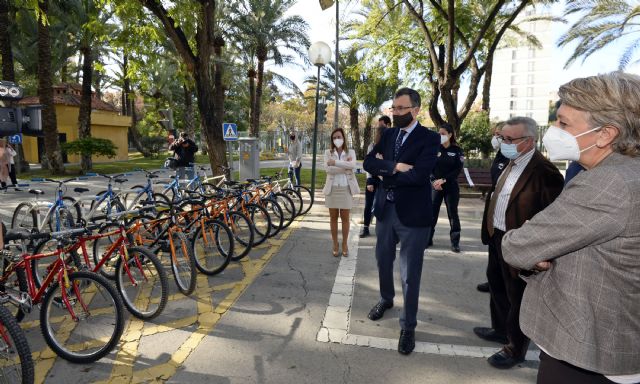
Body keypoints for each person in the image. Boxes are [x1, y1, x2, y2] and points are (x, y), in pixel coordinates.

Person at [502, 72, 640, 384]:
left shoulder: (608, 183)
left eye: (564, 124)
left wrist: (534, 246)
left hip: (587, 353)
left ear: (605, 134)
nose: (553, 130)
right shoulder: (628, 172)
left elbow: (517, 246)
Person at [472, 116, 564, 369]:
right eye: (503, 138)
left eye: (510, 139)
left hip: (522, 244)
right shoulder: (509, 162)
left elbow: (553, 216)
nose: (504, 143)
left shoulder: (545, 172)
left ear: (529, 141)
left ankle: (515, 348)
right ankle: (500, 329)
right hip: (497, 236)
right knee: (497, 285)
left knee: (518, 296)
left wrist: (539, 249)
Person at [363, 87, 439, 355]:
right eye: (393, 108)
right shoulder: (388, 134)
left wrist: (385, 174)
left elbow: (419, 176)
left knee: (409, 274)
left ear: (416, 110)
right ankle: (386, 299)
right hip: (385, 211)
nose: (395, 113)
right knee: (383, 260)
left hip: (413, 216)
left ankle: (408, 325)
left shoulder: (429, 139)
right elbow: (368, 162)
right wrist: (393, 167)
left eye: (401, 109)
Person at [477, 122, 509, 293]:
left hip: (507, 210)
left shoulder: (512, 156)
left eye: (500, 135)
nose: (496, 138)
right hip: (495, 208)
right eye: (495, 134)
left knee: (503, 249)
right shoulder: (500, 154)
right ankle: (493, 282)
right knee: (493, 248)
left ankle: (503, 284)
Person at [427, 123, 464, 252]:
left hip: (450, 187)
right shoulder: (434, 148)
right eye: (439, 133)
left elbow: (457, 170)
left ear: (450, 135)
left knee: (452, 214)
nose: (440, 136)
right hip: (436, 187)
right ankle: (428, 239)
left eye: (443, 134)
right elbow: (429, 167)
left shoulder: (457, 150)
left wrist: (443, 180)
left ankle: (455, 242)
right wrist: (433, 181)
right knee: (431, 214)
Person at [323, 128, 360, 257]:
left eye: (338, 137)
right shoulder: (328, 152)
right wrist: (344, 167)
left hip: (345, 188)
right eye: (334, 138)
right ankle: (335, 244)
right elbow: (328, 169)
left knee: (345, 218)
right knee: (333, 218)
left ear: (343, 137)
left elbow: (352, 166)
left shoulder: (351, 152)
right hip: (332, 188)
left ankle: (344, 244)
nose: (336, 140)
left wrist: (335, 163)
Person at [360, 116, 391, 238]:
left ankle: (385, 229)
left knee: (384, 205)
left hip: (385, 179)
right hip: (373, 178)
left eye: (382, 126)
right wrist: (369, 181)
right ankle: (366, 227)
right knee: (368, 204)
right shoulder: (372, 146)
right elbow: (368, 165)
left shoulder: (391, 146)